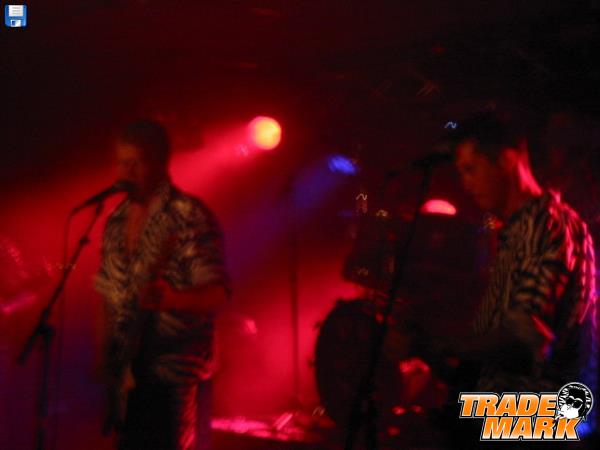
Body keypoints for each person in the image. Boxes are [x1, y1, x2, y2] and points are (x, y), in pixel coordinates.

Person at [420, 111, 597, 447]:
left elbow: (525, 343)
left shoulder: (544, 224)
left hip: (542, 419)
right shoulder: (517, 231)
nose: (465, 184)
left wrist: (437, 345)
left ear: (505, 160)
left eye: (471, 169)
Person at [94, 119, 230, 450]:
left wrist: (172, 299)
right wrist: (104, 355)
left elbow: (218, 295)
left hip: (172, 367)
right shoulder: (114, 221)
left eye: (135, 163)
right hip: (125, 371)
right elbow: (106, 292)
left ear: (160, 163)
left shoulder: (187, 215)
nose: (126, 172)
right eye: (121, 163)